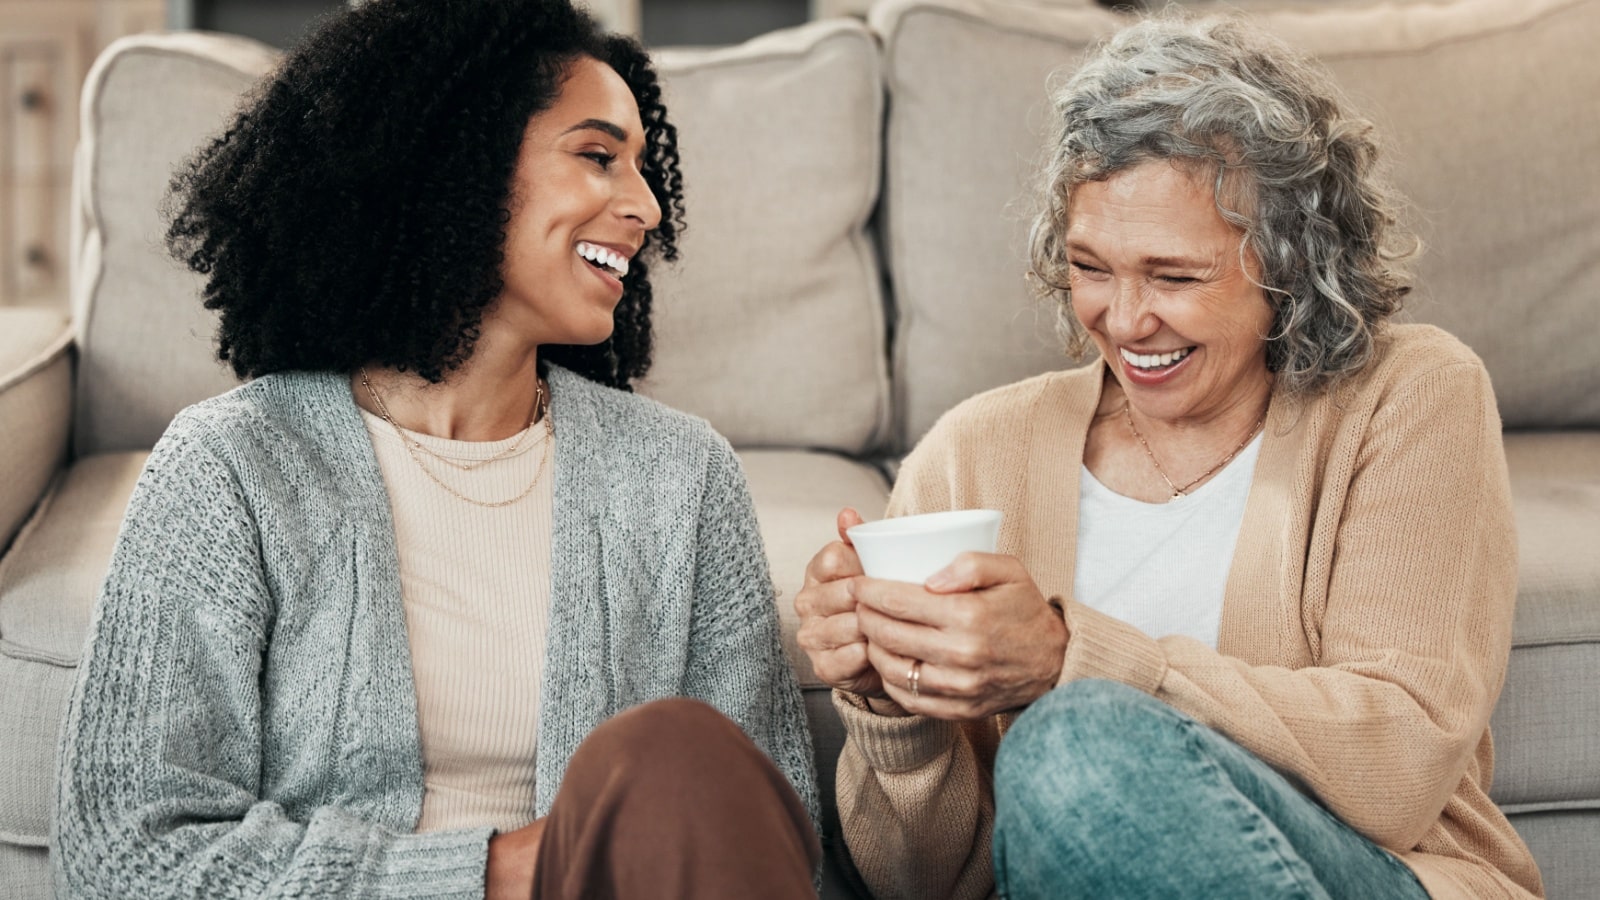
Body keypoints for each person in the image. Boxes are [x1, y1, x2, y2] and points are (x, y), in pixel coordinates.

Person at [52, 2, 820, 898]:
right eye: (598, 156)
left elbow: (769, 831)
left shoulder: (681, 477)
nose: (646, 208)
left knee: (676, 752)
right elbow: (121, 853)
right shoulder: (233, 467)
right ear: (458, 161)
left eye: (644, 170)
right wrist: (511, 871)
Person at [795, 12, 1543, 900]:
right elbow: (923, 884)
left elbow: (1401, 766)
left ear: (1293, 262)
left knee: (1072, 744)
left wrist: (1070, 659)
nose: (1124, 317)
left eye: (1175, 276)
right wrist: (892, 703)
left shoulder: (1411, 395)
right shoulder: (973, 453)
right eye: (1091, 267)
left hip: (1372, 876)